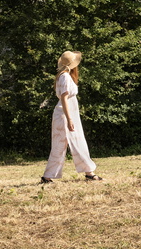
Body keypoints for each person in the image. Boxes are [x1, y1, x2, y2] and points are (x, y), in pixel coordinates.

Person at [40, 50, 103, 183]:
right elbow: (64, 98)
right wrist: (69, 119)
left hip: (68, 114)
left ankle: (88, 172)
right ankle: (88, 173)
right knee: (62, 145)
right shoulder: (65, 77)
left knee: (71, 143)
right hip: (65, 115)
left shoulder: (65, 76)